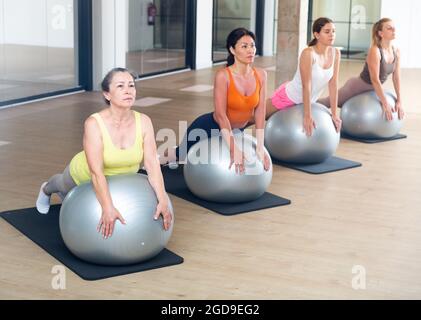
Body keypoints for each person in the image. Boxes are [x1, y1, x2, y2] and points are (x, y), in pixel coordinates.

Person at [36, 68, 172, 238]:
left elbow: (152, 164)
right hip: (86, 175)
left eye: (131, 85)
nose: (128, 90)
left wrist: (162, 197)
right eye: (120, 86)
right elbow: (96, 172)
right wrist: (107, 207)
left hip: (121, 180)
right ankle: (46, 189)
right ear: (107, 94)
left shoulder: (144, 121)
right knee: (62, 186)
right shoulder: (94, 123)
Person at [163, 27, 271, 174]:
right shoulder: (223, 76)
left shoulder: (261, 75)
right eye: (244, 46)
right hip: (209, 127)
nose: (250, 50)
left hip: (236, 129)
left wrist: (259, 145)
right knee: (179, 155)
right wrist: (234, 149)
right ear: (232, 50)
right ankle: (157, 160)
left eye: (252, 45)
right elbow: (221, 115)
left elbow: (260, 110)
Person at [264, 17, 342, 137]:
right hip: (289, 96)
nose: (332, 34)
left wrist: (335, 114)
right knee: (255, 117)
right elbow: (307, 86)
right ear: (317, 34)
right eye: (327, 32)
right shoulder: (308, 53)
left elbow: (333, 84)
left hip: (307, 102)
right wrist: (307, 115)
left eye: (333, 31)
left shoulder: (336, 53)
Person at [318, 18, 404, 121]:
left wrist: (399, 100)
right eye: (389, 28)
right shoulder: (375, 51)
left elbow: (396, 77)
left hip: (373, 90)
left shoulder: (396, 51)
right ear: (381, 33)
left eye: (394, 27)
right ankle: (304, 104)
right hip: (357, 87)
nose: (394, 30)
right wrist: (385, 103)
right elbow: (375, 80)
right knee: (329, 102)